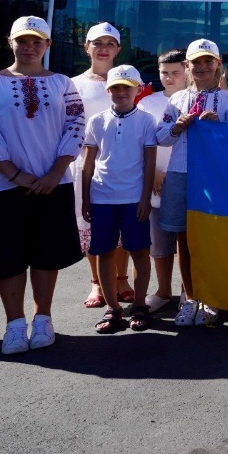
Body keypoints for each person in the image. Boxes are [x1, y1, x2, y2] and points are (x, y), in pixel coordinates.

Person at [0, 16, 86, 355]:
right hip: (4, 185)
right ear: (11, 42)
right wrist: (14, 174)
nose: (29, 47)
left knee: (47, 254)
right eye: (22, 40)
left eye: (36, 41)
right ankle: (14, 324)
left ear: (48, 45)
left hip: (53, 182)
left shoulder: (63, 83)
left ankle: (43, 318)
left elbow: (76, 125)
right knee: (8, 256)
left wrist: (55, 172)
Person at [154, 38, 228, 328]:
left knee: (211, 238)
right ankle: (189, 296)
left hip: (213, 176)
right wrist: (177, 126)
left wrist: (219, 127)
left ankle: (210, 296)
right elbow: (160, 137)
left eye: (208, 61)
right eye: (196, 62)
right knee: (183, 238)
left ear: (218, 64)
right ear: (187, 66)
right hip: (180, 172)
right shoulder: (176, 99)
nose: (202, 67)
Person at [80, 65, 158, 334]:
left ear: (138, 89)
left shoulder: (147, 120)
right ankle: (112, 308)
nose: (121, 92)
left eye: (127, 87)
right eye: (115, 87)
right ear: (108, 90)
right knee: (104, 252)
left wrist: (145, 199)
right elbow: (88, 163)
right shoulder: (97, 121)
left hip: (134, 197)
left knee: (139, 251)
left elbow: (149, 162)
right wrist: (85, 198)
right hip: (102, 197)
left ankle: (139, 304)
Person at [71, 23, 123, 311]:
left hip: (125, 165)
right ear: (86, 47)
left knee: (124, 224)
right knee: (92, 224)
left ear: (118, 49)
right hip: (87, 166)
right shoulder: (73, 84)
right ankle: (96, 282)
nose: (104, 48)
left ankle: (121, 279)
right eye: (97, 43)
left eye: (110, 43)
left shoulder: (130, 79)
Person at [136, 50, 185, 313]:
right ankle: (164, 291)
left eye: (175, 72)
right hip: (155, 182)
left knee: (187, 243)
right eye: (164, 72)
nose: (169, 78)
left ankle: (189, 292)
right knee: (159, 243)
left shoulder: (194, 99)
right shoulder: (147, 103)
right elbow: (140, 141)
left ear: (186, 70)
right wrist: (153, 171)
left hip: (187, 180)